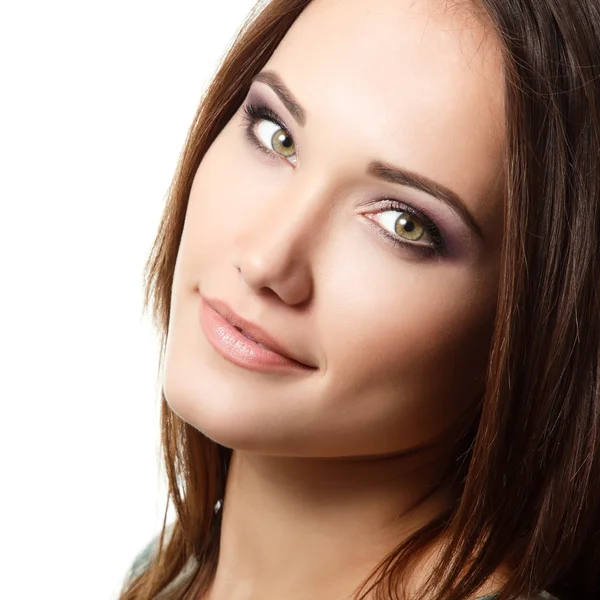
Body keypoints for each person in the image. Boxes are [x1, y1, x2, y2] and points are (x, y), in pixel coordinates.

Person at [118, 0, 600, 599]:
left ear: (527, 323)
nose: (267, 260)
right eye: (276, 135)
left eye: (403, 223)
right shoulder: (163, 576)